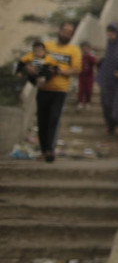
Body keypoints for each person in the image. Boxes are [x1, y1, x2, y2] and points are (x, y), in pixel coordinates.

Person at [30, 21, 82, 162]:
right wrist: (38, 73)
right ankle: (43, 150)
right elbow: (36, 60)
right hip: (44, 89)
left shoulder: (74, 50)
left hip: (60, 90)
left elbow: (76, 69)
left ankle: (50, 150)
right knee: (42, 120)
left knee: (54, 118)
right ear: (59, 30)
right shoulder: (47, 46)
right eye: (65, 31)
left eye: (69, 32)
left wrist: (61, 71)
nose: (66, 34)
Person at [76, 41, 98, 109]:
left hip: (89, 77)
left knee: (88, 90)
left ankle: (88, 101)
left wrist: (95, 70)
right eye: (84, 48)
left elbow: (94, 64)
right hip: (81, 76)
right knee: (81, 90)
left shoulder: (91, 57)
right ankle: (80, 102)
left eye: (87, 48)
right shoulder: (80, 56)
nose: (85, 50)